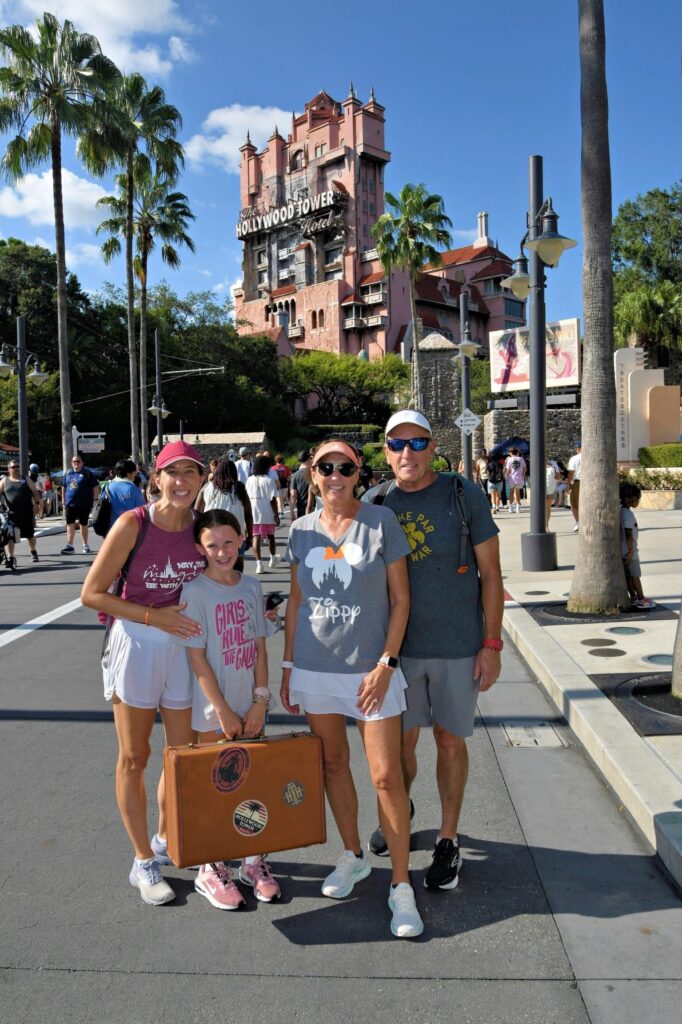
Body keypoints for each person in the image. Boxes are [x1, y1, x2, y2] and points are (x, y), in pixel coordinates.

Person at [280, 437, 422, 939]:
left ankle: (401, 885)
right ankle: (353, 855)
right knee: (333, 764)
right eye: (325, 466)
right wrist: (288, 668)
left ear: (358, 471)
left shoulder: (382, 523)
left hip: (371, 672)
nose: (335, 474)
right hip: (316, 669)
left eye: (344, 466)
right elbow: (297, 603)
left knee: (386, 777)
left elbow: (401, 600)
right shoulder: (299, 530)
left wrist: (386, 663)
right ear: (312, 474)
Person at [366, 411, 503, 894]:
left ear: (433, 448)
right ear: (385, 450)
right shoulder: (375, 501)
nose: (408, 453)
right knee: (399, 747)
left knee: (448, 740)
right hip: (395, 654)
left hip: (456, 645)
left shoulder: (463, 495)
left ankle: (448, 838)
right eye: (397, 443)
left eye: (418, 443)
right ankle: (399, 811)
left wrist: (491, 644)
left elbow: (492, 577)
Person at [80, 440, 207, 906]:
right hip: (135, 642)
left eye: (190, 473)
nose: (181, 482)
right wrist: (155, 617)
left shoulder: (203, 529)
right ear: (156, 478)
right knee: (135, 756)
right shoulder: (132, 524)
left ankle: (163, 839)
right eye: (172, 473)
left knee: (181, 755)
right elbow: (91, 594)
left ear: (202, 479)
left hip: (184, 649)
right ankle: (141, 861)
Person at [175, 509, 281, 908]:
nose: (221, 551)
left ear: (242, 540)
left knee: (253, 782)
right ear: (199, 548)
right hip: (213, 708)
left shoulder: (251, 586)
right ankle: (210, 866)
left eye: (228, 543)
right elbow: (198, 659)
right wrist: (222, 710)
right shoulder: (194, 592)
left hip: (249, 703)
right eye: (211, 545)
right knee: (214, 785)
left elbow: (258, 647)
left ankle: (253, 860)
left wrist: (260, 700)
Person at [195, 457, 253, 571]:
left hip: (211, 536)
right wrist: (250, 536)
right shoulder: (239, 489)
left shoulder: (207, 488)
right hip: (235, 536)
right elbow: (248, 515)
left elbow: (196, 513)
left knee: (212, 570)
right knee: (237, 570)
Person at [0, 460, 41, 567]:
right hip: (11, 514)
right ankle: (11, 557)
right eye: (13, 467)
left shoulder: (25, 478)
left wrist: (37, 504)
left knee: (30, 534)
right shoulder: (4, 481)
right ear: (9, 469)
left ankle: (33, 551)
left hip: (27, 512)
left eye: (17, 466)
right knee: (9, 536)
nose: (16, 468)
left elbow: (35, 491)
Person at [620, 483, 653, 609]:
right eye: (638, 498)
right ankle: (641, 599)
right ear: (630, 498)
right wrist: (630, 551)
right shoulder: (628, 514)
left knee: (629, 576)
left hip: (624, 550)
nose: (638, 501)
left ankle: (633, 597)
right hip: (629, 551)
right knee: (635, 576)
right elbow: (628, 534)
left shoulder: (621, 511)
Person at [246, 455, 280, 573]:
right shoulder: (269, 480)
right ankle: (272, 558)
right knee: (271, 536)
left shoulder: (249, 480)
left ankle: (259, 564)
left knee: (256, 537)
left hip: (254, 512)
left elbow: (246, 497)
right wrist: (276, 515)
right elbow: (272, 499)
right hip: (267, 512)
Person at [61, 455, 99, 554]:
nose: (76, 463)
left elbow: (95, 487)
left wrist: (95, 500)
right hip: (70, 503)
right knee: (70, 523)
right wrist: (63, 500)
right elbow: (63, 487)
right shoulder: (68, 473)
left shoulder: (87, 473)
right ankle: (70, 546)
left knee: (83, 523)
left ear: (82, 462)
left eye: (78, 461)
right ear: (71, 463)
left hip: (84, 503)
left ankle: (85, 545)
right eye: (74, 461)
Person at [108, 459, 145, 527]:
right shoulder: (133, 489)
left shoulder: (107, 487)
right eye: (134, 472)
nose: (135, 475)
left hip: (110, 529)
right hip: (129, 529)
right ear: (128, 473)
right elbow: (142, 511)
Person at [289, 449, 312, 521]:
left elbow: (293, 495)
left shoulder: (295, 476)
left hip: (301, 508)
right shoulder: (314, 474)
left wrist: (292, 512)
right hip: (314, 507)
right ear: (308, 460)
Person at [503, 447, 526, 513]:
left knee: (511, 492)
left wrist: (506, 475)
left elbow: (508, 470)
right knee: (518, 493)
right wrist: (523, 475)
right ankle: (518, 508)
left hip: (511, 478)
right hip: (519, 478)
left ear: (511, 453)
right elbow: (525, 468)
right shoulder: (521, 459)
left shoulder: (509, 459)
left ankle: (511, 508)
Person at [567, 441, 582, 533]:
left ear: (578, 448)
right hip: (590, 482)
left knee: (574, 505)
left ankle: (578, 522)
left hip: (578, 482)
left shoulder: (575, 458)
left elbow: (571, 473)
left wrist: (568, 484)